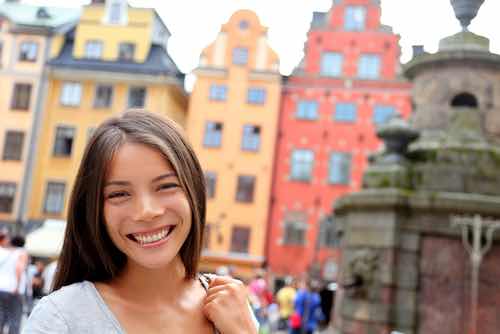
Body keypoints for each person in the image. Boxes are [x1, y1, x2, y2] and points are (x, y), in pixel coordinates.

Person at [24, 110, 257, 333]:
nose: (146, 211)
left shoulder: (231, 306)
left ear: (193, 191)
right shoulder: (62, 318)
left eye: (166, 186)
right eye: (119, 194)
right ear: (95, 210)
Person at [0, 235, 29, 334]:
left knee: (2, 315)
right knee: (15, 318)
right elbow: (19, 268)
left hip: (1, 288)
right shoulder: (22, 252)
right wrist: (17, 286)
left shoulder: (4, 251)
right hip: (13, 289)